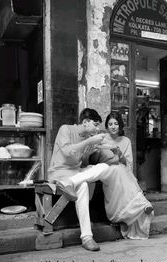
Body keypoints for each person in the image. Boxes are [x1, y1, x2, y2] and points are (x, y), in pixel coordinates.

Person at [48, 108, 112, 252]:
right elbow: (67, 152)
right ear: (85, 122)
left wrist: (88, 154)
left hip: (74, 176)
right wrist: (89, 141)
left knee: (105, 167)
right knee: (82, 185)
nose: (97, 129)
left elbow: (80, 164)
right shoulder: (65, 129)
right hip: (59, 173)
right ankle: (87, 237)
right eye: (95, 125)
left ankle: (69, 184)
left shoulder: (86, 139)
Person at [99, 111, 154, 239]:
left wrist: (119, 153)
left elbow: (128, 164)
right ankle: (136, 207)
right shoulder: (102, 139)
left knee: (124, 171)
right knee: (119, 171)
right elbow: (98, 158)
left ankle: (142, 205)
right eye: (110, 124)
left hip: (122, 170)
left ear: (120, 125)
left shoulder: (126, 141)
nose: (113, 126)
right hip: (107, 171)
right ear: (107, 126)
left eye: (116, 124)